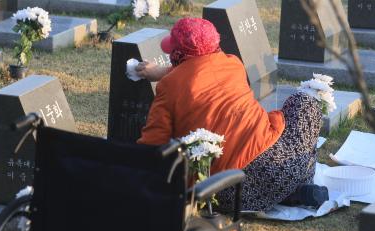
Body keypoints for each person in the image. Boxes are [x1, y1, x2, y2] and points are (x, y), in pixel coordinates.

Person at [136, 17, 325, 212]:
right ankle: (297, 188)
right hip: (283, 166)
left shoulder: (169, 85)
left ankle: (287, 194)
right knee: (305, 102)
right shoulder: (233, 63)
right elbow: (199, 68)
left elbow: (153, 142)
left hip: (226, 189)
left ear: (178, 54)